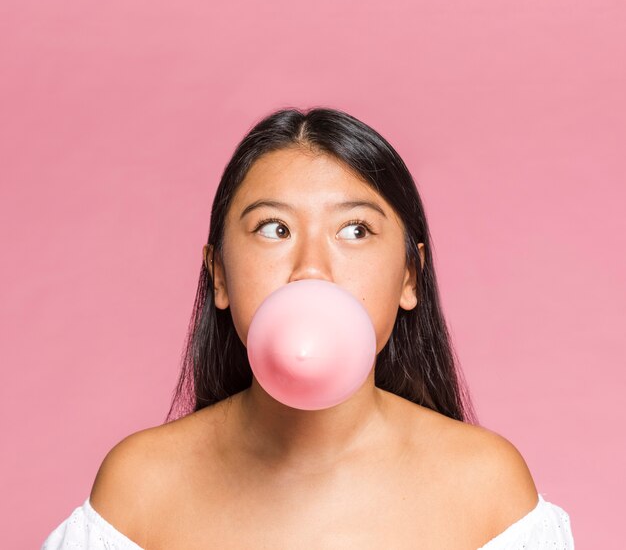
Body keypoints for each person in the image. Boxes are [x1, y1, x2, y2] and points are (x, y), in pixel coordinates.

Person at [42, 107, 574, 549]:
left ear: (410, 276)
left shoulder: (488, 490)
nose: (312, 268)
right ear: (219, 275)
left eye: (355, 229)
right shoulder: (139, 489)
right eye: (274, 229)